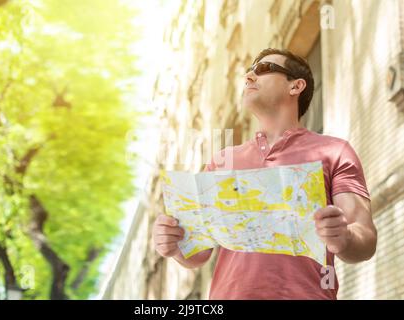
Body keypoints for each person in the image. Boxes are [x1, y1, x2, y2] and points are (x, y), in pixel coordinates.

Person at [152, 48, 377, 299]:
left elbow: (365, 238)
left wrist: (344, 237)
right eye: (249, 72)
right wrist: (172, 243)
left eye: (263, 69)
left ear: (296, 86)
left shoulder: (335, 151)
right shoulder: (221, 162)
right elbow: (198, 254)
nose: (249, 77)